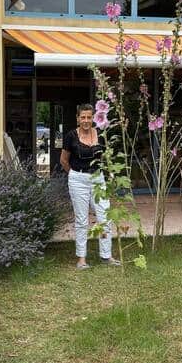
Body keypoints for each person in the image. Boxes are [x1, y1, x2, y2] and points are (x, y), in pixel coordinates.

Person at [60, 104, 121, 270]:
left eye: (89, 117)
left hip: (98, 179)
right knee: (81, 220)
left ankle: (106, 256)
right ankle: (81, 258)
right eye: (83, 117)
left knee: (104, 216)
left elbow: (106, 157)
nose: (86, 120)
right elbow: (63, 160)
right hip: (78, 180)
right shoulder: (71, 136)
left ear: (93, 118)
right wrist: (74, 175)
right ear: (78, 119)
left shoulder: (100, 134)